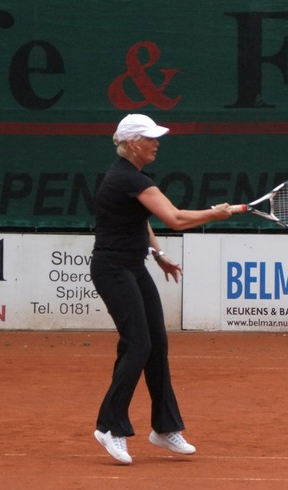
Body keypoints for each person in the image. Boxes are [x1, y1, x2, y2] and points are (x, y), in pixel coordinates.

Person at [90, 114, 233, 465]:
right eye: (150, 138)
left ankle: (165, 428)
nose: (156, 144)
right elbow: (176, 218)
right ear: (132, 144)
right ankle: (109, 426)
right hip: (112, 269)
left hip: (133, 266)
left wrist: (157, 254)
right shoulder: (127, 178)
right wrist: (214, 214)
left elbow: (143, 221)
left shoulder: (131, 178)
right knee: (137, 343)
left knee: (156, 343)